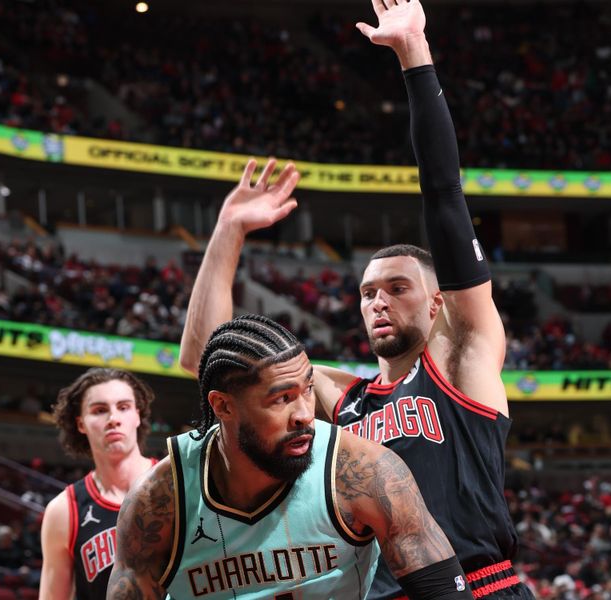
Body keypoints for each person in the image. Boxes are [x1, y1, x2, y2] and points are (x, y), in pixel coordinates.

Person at [177, 2, 530, 598]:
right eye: (367, 292)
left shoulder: (463, 362)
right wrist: (227, 235)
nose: (377, 302)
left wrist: (414, 53)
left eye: (397, 288)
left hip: (479, 585)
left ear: (439, 303)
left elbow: (445, 196)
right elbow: (209, 360)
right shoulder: (344, 399)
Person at [107, 314, 472, 599]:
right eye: (281, 399)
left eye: (308, 390)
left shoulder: (363, 470)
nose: (304, 414)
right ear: (222, 406)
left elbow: (444, 592)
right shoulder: (159, 499)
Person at [40, 368, 157, 600]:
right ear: (81, 424)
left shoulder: (177, 482)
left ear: (137, 414)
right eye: (100, 410)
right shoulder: (64, 509)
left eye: (123, 407)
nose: (113, 419)